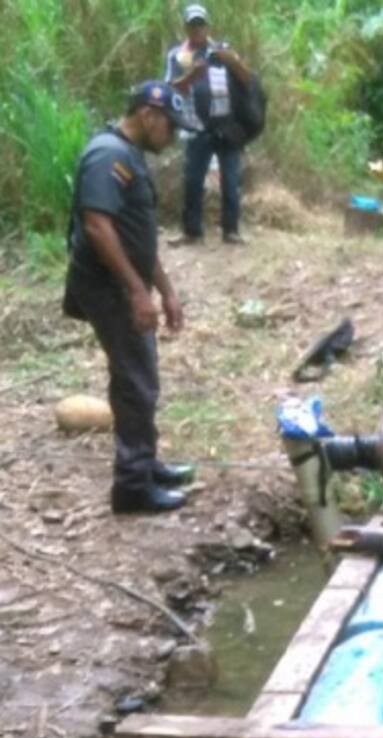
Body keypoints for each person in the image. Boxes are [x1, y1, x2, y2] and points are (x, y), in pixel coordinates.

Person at [63, 81, 196, 514]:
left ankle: (145, 461)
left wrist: (167, 290)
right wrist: (138, 292)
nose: (172, 136)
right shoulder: (108, 155)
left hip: (125, 283)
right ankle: (132, 485)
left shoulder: (127, 154)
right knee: (136, 378)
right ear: (148, 115)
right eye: (170, 127)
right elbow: (99, 227)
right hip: (108, 286)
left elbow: (137, 236)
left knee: (140, 372)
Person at [165, 4, 254, 244]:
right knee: (193, 180)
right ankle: (192, 231)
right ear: (186, 27)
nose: (197, 29)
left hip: (227, 126)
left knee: (231, 180)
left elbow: (248, 81)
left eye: (201, 24)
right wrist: (191, 76)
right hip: (196, 127)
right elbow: (169, 90)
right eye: (193, 25)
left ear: (208, 26)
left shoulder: (222, 50)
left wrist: (233, 61)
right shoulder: (177, 56)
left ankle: (231, 231)